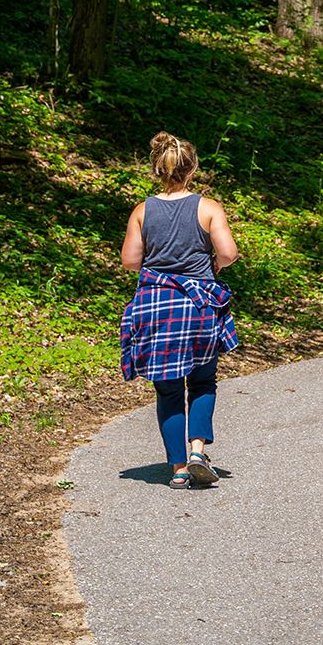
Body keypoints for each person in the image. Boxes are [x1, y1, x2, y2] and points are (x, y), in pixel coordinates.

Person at [118, 132, 241, 489]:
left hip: (157, 307)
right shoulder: (208, 208)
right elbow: (229, 253)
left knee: (168, 389)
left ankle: (178, 469)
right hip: (198, 304)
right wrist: (213, 265)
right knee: (203, 381)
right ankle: (198, 450)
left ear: (158, 169)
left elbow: (130, 261)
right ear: (192, 169)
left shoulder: (143, 211)